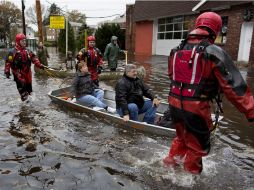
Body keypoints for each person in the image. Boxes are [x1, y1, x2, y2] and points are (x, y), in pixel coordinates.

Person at [163, 12, 254, 174]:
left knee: (182, 138)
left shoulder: (175, 50)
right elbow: (234, 86)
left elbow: (172, 76)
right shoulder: (213, 51)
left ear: (198, 25)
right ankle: (189, 180)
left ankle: (169, 166)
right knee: (197, 147)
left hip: (174, 103)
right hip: (196, 108)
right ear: (216, 29)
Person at [4, 33, 44, 101]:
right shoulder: (12, 52)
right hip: (18, 74)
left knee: (30, 92)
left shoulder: (28, 51)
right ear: (18, 42)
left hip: (28, 74)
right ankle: (24, 107)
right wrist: (7, 71)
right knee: (24, 94)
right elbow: (8, 62)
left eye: (25, 40)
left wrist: (40, 65)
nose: (24, 42)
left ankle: (29, 107)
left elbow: (34, 59)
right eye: (22, 41)